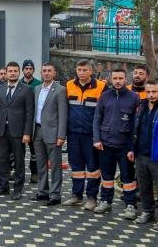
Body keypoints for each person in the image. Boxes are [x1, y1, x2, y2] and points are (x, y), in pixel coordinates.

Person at [92, 68, 140, 217]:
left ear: (126, 79)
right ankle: (105, 201)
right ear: (110, 79)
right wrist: (96, 139)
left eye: (120, 78)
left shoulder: (134, 97)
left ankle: (130, 205)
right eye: (115, 78)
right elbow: (97, 119)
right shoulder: (104, 96)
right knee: (107, 176)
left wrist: (132, 148)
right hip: (105, 144)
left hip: (125, 146)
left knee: (128, 177)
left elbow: (136, 125)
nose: (118, 81)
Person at [129, 80, 158, 231]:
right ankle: (147, 211)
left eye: (154, 92)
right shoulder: (141, 107)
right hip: (141, 154)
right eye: (148, 92)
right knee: (144, 186)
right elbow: (135, 130)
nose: (151, 95)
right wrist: (132, 149)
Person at [63, 59, 107, 210]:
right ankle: (77, 195)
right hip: (74, 133)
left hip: (91, 135)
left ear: (91, 71)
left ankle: (92, 198)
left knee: (93, 168)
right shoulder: (69, 85)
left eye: (85, 70)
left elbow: (104, 112)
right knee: (76, 166)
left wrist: (99, 136)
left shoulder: (101, 86)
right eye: (79, 70)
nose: (81, 73)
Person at [0, 62, 35, 200]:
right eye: (10, 71)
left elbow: (30, 113)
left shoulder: (27, 90)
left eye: (15, 71)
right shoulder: (0, 89)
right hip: (1, 131)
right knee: (1, 160)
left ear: (19, 72)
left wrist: (27, 133)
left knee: (19, 161)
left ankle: (18, 189)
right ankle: (3, 187)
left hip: (18, 132)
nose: (13, 73)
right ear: (6, 73)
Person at [32, 63, 67, 206]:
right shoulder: (37, 89)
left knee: (55, 166)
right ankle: (42, 191)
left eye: (49, 71)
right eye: (44, 71)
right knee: (41, 164)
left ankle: (55, 195)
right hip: (37, 131)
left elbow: (63, 114)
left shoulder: (60, 90)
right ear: (41, 73)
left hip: (53, 133)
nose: (46, 73)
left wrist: (61, 136)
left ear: (54, 73)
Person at [21, 59, 42, 183]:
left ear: (33, 70)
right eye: (26, 68)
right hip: (20, 121)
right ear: (22, 70)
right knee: (18, 150)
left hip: (33, 121)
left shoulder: (39, 84)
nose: (28, 71)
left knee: (34, 150)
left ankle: (35, 173)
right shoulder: (18, 83)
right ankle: (17, 171)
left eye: (30, 69)